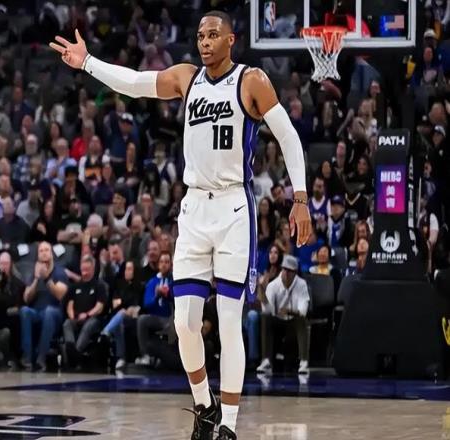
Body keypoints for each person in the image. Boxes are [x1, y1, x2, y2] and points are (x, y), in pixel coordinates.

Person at [50, 11, 311, 438]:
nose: (205, 42)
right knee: (185, 322)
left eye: (213, 35)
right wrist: (88, 62)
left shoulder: (251, 81)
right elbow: (135, 82)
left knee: (229, 321)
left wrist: (300, 198)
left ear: (231, 39)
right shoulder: (187, 79)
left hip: (233, 208)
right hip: (193, 209)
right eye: (201, 35)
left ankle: (228, 426)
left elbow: (288, 137)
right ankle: (205, 405)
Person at [256, 255, 310, 376]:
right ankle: (266, 360)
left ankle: (304, 362)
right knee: (265, 317)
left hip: (293, 321)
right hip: (278, 321)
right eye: (284, 269)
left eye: (289, 270)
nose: (286, 273)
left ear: (295, 272)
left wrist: (289, 311)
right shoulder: (273, 285)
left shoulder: (301, 285)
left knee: (302, 320)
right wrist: (262, 294)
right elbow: (267, 310)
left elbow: (303, 311)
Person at [20, 241, 68, 371]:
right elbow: (26, 298)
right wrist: (36, 279)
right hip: (37, 313)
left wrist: (46, 278)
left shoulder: (60, 272)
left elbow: (60, 294)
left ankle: (41, 358)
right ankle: (27, 358)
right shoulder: (33, 274)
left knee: (49, 311)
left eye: (46, 250)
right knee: (24, 310)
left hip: (55, 314)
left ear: (51, 254)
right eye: (41, 251)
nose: (44, 253)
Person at [63, 255, 108, 368]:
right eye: (83, 269)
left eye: (87, 269)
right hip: (77, 318)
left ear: (93, 269)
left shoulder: (99, 285)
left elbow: (100, 307)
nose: (84, 272)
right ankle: (71, 347)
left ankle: (76, 353)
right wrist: (73, 317)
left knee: (89, 325)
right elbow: (70, 306)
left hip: (93, 318)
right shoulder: (74, 286)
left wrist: (87, 314)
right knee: (67, 323)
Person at [99, 260, 142, 371]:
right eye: (126, 269)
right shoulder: (119, 285)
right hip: (120, 316)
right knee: (120, 321)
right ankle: (121, 358)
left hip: (135, 317)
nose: (127, 272)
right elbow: (115, 304)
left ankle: (105, 332)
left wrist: (123, 304)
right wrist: (125, 305)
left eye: (130, 269)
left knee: (121, 314)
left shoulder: (139, 287)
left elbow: (136, 305)